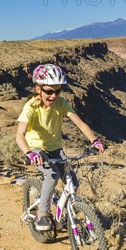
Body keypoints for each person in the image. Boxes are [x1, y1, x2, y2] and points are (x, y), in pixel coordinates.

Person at [16, 64, 106, 231]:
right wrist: (29, 153)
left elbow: (80, 124)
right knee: (52, 175)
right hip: (36, 148)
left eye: (57, 91)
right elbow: (19, 135)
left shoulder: (62, 103)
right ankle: (42, 215)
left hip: (56, 149)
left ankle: (64, 214)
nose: (53, 96)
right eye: (49, 91)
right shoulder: (31, 107)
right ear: (38, 89)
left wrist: (95, 140)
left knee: (72, 181)